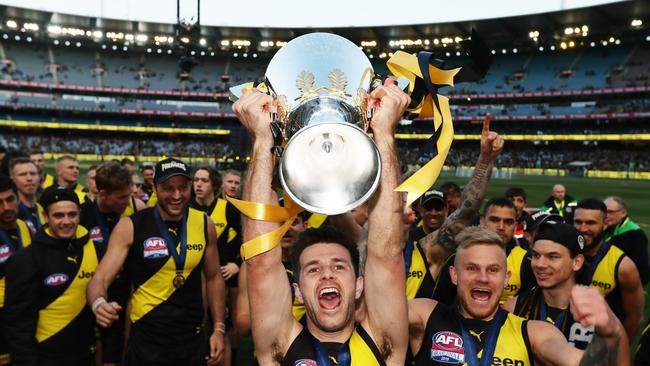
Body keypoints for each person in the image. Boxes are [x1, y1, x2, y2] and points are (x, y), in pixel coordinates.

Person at [233, 81, 409, 364]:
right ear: (298, 292)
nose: (327, 275)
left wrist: (385, 135)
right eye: (313, 269)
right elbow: (260, 260)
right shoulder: (280, 345)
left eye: (339, 266)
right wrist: (262, 141)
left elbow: (386, 254)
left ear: (360, 285)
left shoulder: (383, 342)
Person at [407, 225, 627, 366]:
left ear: (506, 278)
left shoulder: (534, 333)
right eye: (471, 268)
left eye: (493, 270)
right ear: (454, 275)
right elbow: (377, 309)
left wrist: (608, 333)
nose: (482, 278)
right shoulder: (427, 315)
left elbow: (581, 363)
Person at [86, 157, 226, 366]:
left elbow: (214, 277)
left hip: (191, 337)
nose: (177, 195)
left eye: (183, 187)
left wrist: (218, 328)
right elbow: (100, 279)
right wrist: (98, 304)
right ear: (154, 187)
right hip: (147, 337)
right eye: (168, 188)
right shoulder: (131, 226)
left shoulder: (205, 224)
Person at [5, 187, 97, 365]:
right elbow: (18, 323)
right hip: (45, 356)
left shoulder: (96, 250)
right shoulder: (25, 260)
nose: (67, 221)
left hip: (85, 353)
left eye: (72, 214)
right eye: (58, 215)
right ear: (46, 217)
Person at [79, 161, 144, 365]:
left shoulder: (137, 209)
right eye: (122, 197)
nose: (128, 200)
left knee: (118, 349)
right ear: (103, 194)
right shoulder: (82, 215)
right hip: (88, 292)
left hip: (125, 292)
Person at [433, 198, 535, 305]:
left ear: (515, 226)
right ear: (482, 221)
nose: (501, 227)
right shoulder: (459, 257)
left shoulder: (527, 262)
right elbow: (441, 303)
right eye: (494, 220)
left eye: (508, 222)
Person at [192, 165, 242, 366]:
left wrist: (237, 264)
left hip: (224, 277)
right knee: (198, 326)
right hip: (195, 279)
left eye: (204, 180)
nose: (198, 184)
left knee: (224, 328)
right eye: (196, 180)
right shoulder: (187, 208)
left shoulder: (227, 208)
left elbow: (246, 238)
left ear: (214, 185)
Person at [573, 198, 643, 341]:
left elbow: (634, 317)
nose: (582, 229)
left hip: (599, 351)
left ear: (605, 224)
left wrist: (615, 351)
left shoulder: (623, 266)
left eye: (590, 223)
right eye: (578, 222)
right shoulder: (562, 254)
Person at [0, 176, 33, 366]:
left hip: (26, 309)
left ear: (18, 198)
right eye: (0, 203)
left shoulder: (26, 227)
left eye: (10, 200)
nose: (6, 207)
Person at [603, 196, 649, 285]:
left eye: (611, 212)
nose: (606, 215)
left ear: (623, 213)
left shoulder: (635, 234)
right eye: (604, 211)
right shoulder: (604, 228)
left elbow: (642, 270)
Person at [9, 157, 46, 232]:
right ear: (12, 179)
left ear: (39, 177)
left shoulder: (43, 209)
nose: (29, 178)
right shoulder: (9, 212)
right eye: (22, 174)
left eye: (33, 173)